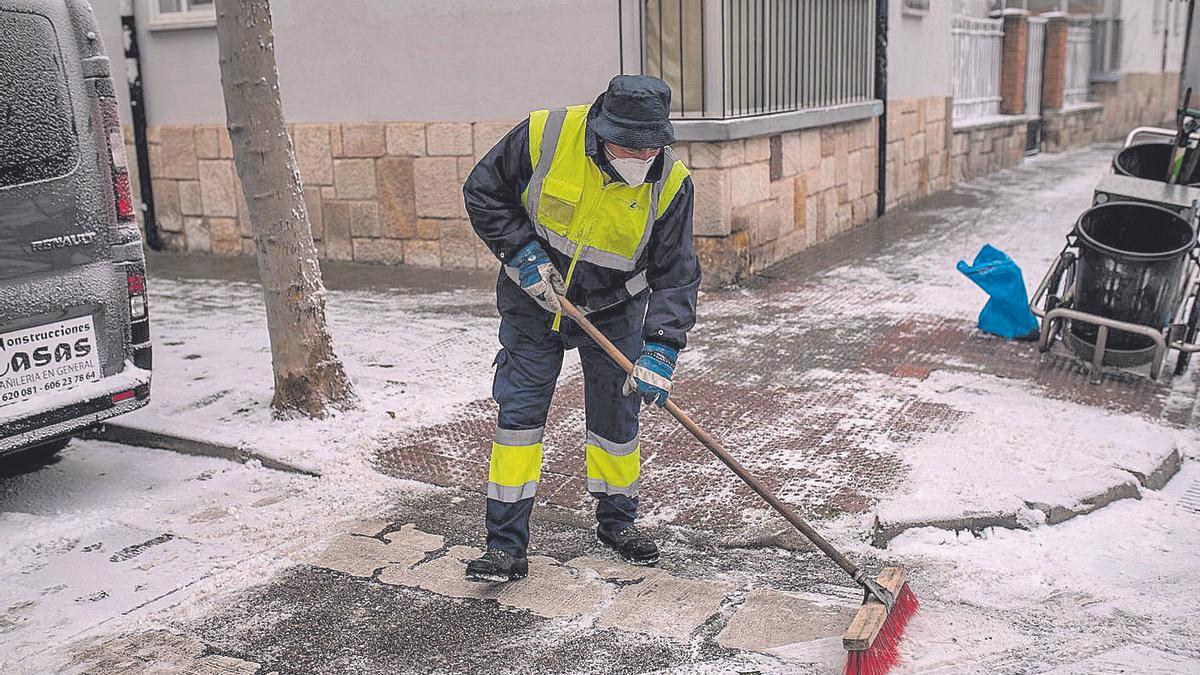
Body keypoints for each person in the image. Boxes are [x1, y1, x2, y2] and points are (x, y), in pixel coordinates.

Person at [461, 75, 701, 582]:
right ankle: (505, 547)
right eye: (626, 145)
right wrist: (520, 252)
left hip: (614, 311)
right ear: (600, 128)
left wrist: (660, 349)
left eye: (650, 146)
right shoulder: (544, 135)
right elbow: (484, 191)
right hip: (535, 302)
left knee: (616, 423)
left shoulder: (672, 184)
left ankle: (618, 524)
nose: (638, 155)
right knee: (519, 422)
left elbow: (677, 273)